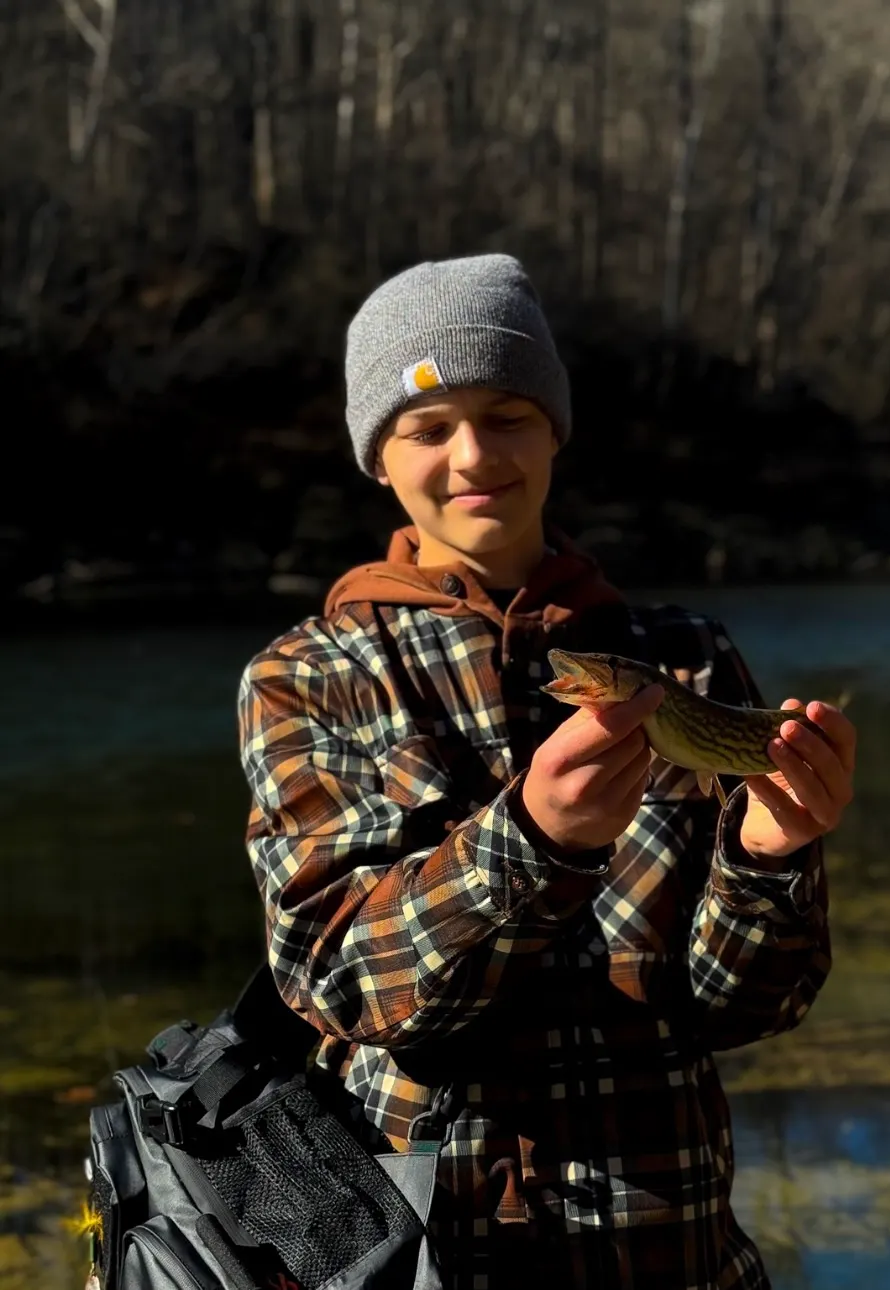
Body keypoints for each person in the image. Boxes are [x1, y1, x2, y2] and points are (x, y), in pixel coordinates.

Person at [236, 254, 854, 1289]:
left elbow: (742, 1009)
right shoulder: (307, 676)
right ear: (378, 457)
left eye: (510, 414)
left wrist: (769, 854)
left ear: (555, 432)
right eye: (430, 427)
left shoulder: (688, 658)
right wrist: (529, 844)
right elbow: (338, 981)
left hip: (673, 1250)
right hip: (424, 1253)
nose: (475, 454)